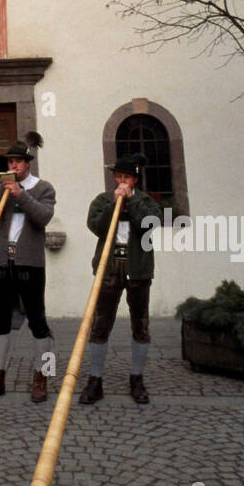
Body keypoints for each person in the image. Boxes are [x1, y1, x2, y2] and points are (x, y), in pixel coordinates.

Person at [0, 133, 56, 403]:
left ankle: (43, 376)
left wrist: (21, 195)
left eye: (18, 162)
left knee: (38, 322)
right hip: (1, 261)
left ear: (28, 163)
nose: (14, 166)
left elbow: (43, 217)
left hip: (29, 263)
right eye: (10, 161)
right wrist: (3, 187)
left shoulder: (43, 188)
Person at [78, 153, 162, 405]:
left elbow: (150, 224)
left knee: (140, 325)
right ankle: (95, 380)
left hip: (137, 270)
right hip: (109, 268)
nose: (121, 181)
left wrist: (131, 203)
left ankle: (137, 377)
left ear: (135, 180)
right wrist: (115, 205)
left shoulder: (146, 202)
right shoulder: (103, 200)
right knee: (100, 325)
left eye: (126, 177)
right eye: (118, 176)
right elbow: (96, 227)